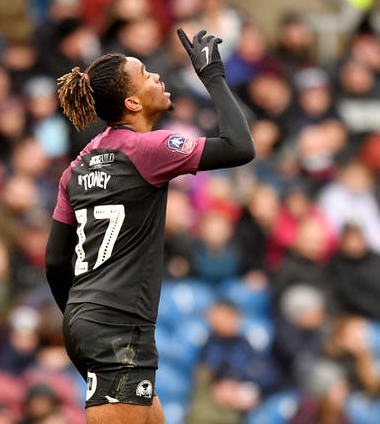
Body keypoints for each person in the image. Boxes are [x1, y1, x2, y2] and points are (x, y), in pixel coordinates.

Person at [45, 29, 254, 424]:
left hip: (89, 321)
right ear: (133, 101)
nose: (157, 76)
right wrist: (212, 77)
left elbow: (56, 261)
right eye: (145, 74)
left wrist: (81, 315)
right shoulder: (149, 149)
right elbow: (240, 146)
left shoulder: (79, 164)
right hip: (116, 326)